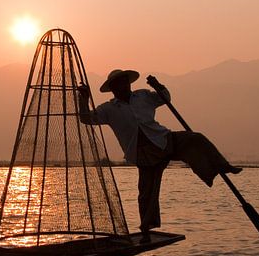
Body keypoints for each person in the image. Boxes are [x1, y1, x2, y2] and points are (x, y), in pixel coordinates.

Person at [78, 69, 241, 241]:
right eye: (117, 84)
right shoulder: (109, 109)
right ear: (112, 88)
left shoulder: (143, 96)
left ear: (128, 83)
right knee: (146, 193)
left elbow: (165, 97)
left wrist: (158, 86)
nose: (122, 86)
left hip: (163, 140)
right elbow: (86, 118)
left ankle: (222, 166)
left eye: (124, 82)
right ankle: (146, 229)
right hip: (143, 154)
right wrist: (84, 99)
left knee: (195, 139)